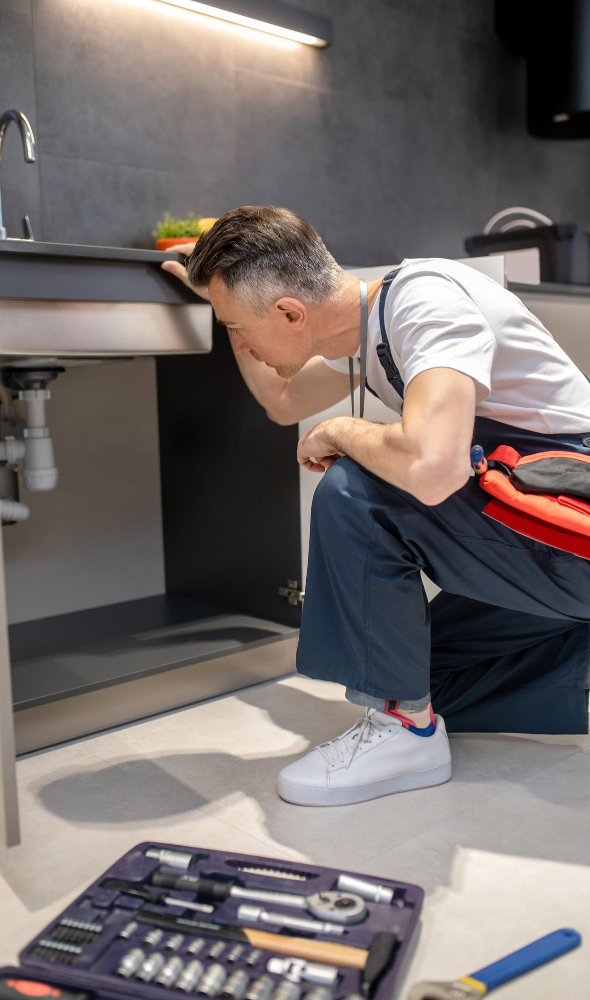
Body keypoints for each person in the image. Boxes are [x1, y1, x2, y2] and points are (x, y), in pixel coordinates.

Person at [162, 205, 590, 807]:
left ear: (290, 313)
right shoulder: (364, 334)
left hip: (574, 519)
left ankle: (403, 731)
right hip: (549, 530)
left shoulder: (426, 304)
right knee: (417, 669)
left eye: (237, 327)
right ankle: (571, 678)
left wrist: (341, 433)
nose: (240, 341)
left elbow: (434, 467)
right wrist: (214, 293)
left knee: (356, 490)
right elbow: (281, 401)